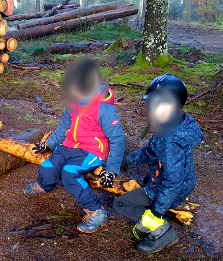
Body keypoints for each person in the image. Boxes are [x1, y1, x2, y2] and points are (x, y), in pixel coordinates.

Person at [24, 58, 126, 233]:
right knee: (49, 165)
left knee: (69, 173)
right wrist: (48, 145)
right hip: (70, 144)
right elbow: (64, 127)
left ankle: (96, 211)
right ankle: (45, 185)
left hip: (92, 150)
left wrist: (112, 170)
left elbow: (118, 139)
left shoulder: (105, 109)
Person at [113, 73, 203, 253]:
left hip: (175, 187)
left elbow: (172, 180)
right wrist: (128, 162)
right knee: (148, 180)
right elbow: (151, 152)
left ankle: (162, 231)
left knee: (120, 204)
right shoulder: (179, 125)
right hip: (184, 182)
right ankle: (158, 205)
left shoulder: (167, 139)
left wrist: (157, 212)